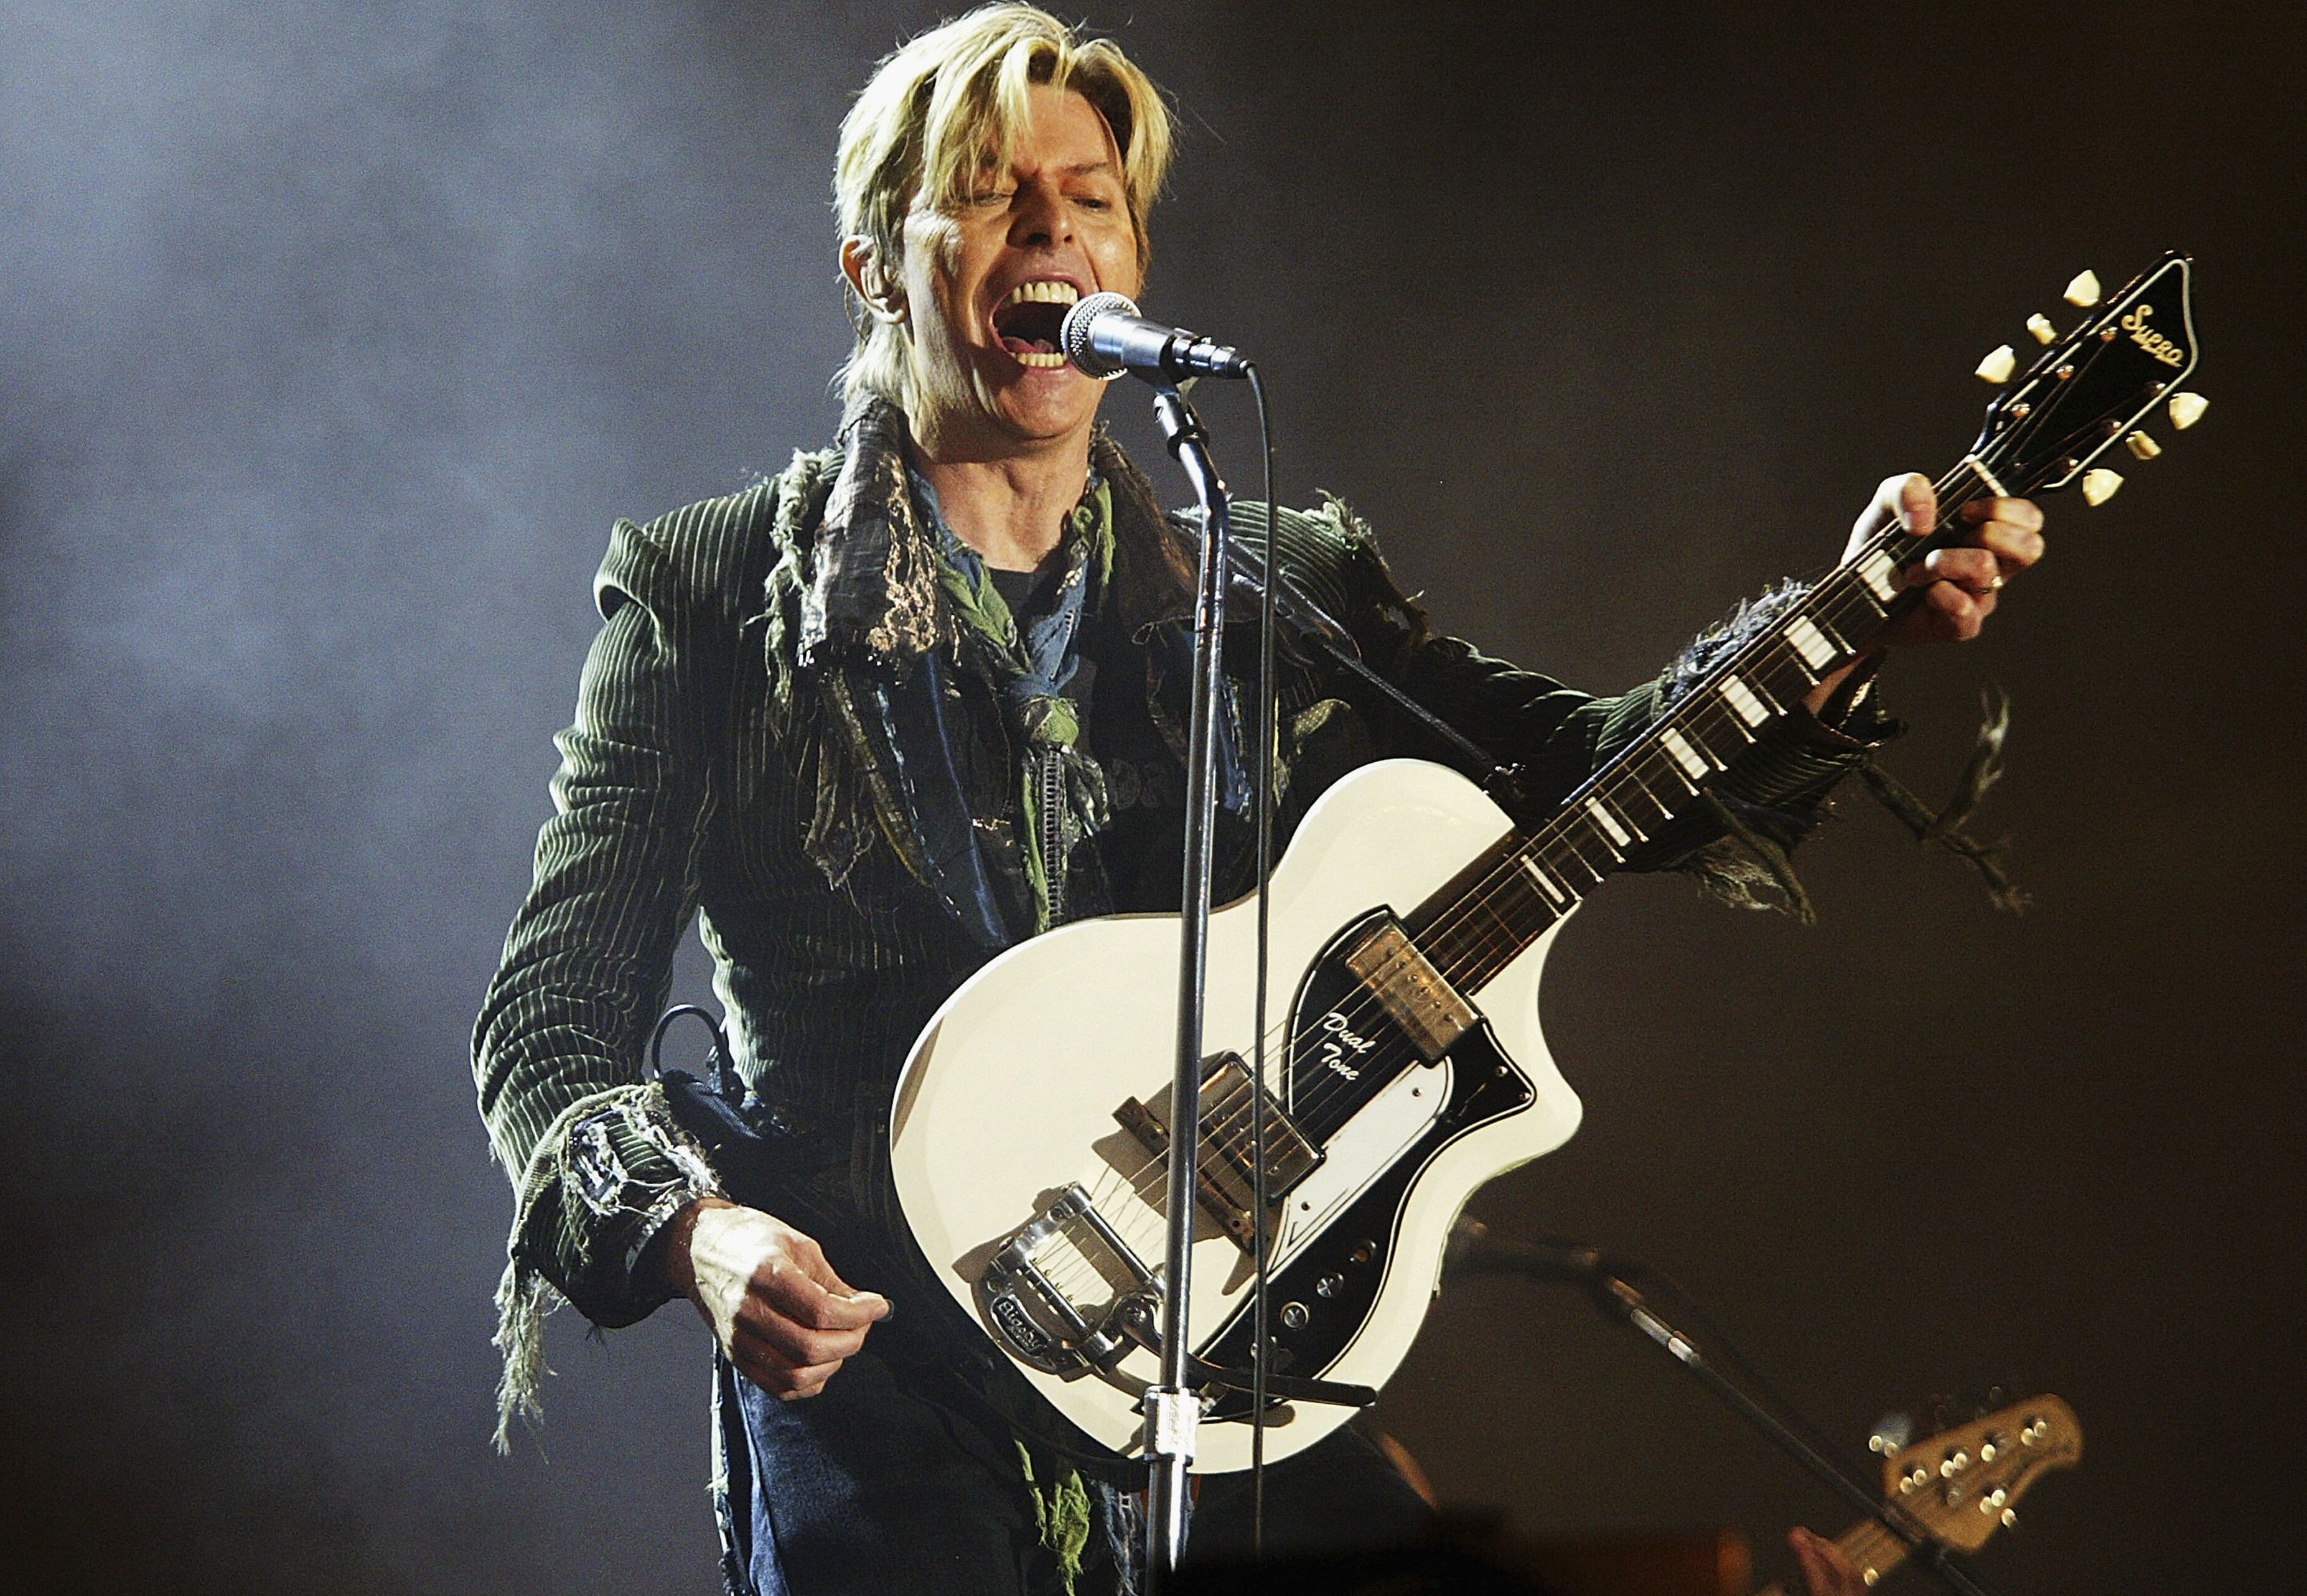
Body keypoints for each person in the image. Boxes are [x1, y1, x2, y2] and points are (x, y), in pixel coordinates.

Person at [471, 7, 2043, 1594]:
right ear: (877, 263)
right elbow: (550, 1019)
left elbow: (1593, 771)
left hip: (1214, 1347)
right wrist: (701, 1235)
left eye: (1089, 197)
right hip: (882, 1366)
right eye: (993, 188)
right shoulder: (719, 597)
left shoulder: (1265, 579)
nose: (1051, 228)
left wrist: (1843, 628)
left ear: (1135, 260)